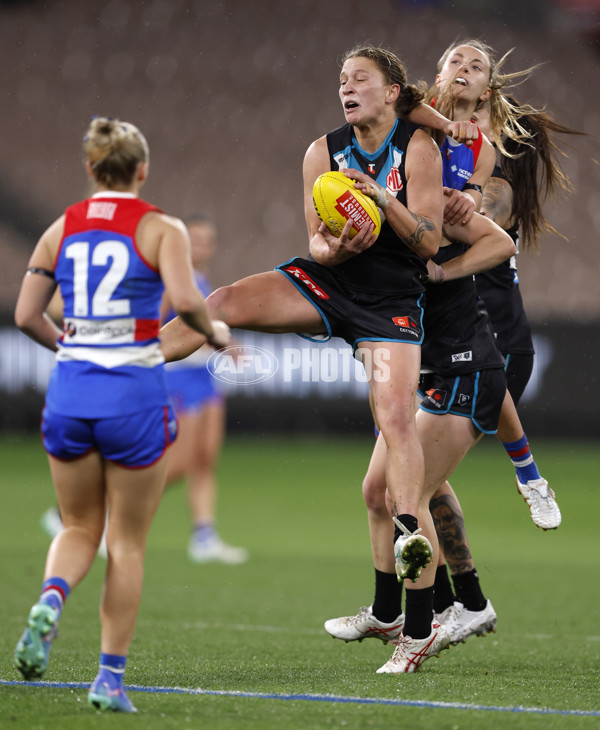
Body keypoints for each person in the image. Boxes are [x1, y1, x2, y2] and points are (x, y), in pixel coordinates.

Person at [323, 40, 561, 666]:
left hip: (484, 331)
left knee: (409, 488)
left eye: (477, 65)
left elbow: (491, 221)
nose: (463, 70)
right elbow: (407, 120)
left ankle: (417, 618)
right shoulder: (419, 130)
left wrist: (473, 204)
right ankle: (463, 601)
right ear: (431, 79)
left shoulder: (485, 149)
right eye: (455, 60)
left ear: (488, 89)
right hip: (439, 334)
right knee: (397, 486)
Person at [13, 117, 230, 712]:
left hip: (71, 392)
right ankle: (108, 681)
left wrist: (73, 348)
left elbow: (27, 315)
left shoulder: (61, 229)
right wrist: (219, 334)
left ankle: (52, 599)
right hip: (132, 394)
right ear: (142, 170)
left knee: (80, 525)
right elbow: (186, 304)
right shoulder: (162, 228)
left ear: (90, 168)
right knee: (127, 544)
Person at [161, 214, 248, 564]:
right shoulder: (171, 279)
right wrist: (219, 339)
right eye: (193, 240)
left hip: (204, 376)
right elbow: (175, 326)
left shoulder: (200, 279)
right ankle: (112, 512)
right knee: (179, 462)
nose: (200, 247)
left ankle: (204, 536)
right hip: (180, 376)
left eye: (206, 240)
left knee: (204, 460)